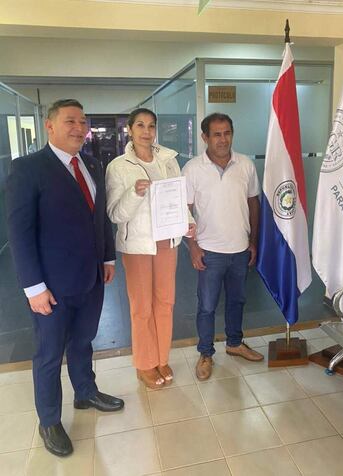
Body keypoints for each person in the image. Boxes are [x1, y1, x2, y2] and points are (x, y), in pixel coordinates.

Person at [6, 99, 124, 458]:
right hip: (51, 286)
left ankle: (85, 392)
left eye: (82, 122)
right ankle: (49, 421)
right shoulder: (28, 169)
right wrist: (33, 288)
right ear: (50, 126)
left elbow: (100, 218)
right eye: (70, 121)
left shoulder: (92, 164)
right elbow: (20, 233)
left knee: (83, 341)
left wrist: (107, 257)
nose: (79, 128)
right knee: (48, 354)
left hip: (91, 278)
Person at [106, 108, 195, 390]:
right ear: (129, 130)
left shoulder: (168, 161)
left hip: (167, 242)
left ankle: (161, 357)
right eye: (140, 125)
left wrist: (189, 222)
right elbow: (115, 214)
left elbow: (179, 200)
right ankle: (145, 363)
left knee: (165, 302)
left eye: (151, 126)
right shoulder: (118, 167)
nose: (147, 131)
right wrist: (135, 193)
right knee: (141, 306)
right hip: (138, 246)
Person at [182, 113, 263, 381]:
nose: (223, 139)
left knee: (237, 301)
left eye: (227, 133)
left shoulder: (245, 165)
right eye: (216, 134)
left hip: (239, 249)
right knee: (207, 306)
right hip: (209, 251)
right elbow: (185, 211)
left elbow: (253, 203)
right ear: (204, 137)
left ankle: (234, 343)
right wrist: (193, 247)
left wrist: (253, 242)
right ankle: (206, 353)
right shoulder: (192, 169)